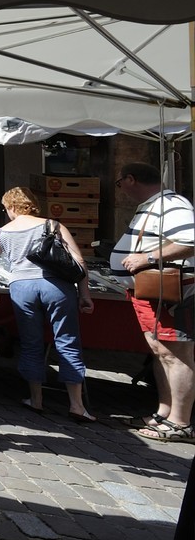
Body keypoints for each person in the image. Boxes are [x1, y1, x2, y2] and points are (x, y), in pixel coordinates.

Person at [0, 186, 95, 423]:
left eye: (6, 208)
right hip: (57, 288)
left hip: (22, 288)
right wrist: (84, 293)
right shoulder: (53, 226)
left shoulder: (3, 232)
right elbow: (79, 261)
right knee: (68, 342)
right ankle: (77, 405)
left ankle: (36, 399)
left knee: (30, 343)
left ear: (12, 207)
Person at [111, 162, 194, 442]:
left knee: (176, 354)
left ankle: (180, 422)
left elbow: (190, 240)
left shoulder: (171, 204)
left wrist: (147, 258)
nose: (119, 189)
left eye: (119, 182)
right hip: (151, 292)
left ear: (130, 179)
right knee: (161, 352)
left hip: (170, 293)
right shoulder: (153, 205)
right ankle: (164, 413)